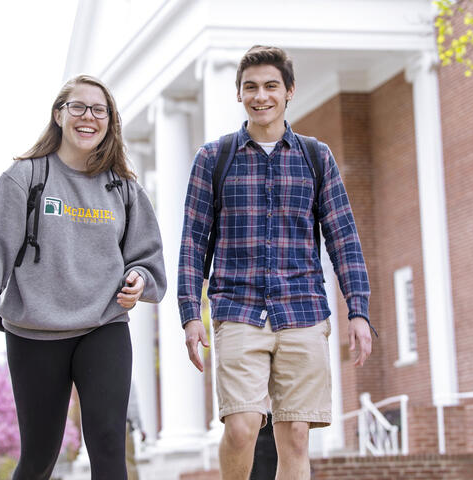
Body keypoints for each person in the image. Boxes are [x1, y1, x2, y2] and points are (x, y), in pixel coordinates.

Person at [178, 45, 373, 480]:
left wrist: (358, 310)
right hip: (238, 308)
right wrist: (191, 314)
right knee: (242, 426)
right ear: (239, 94)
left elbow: (343, 237)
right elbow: (193, 243)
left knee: (296, 435)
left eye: (270, 86)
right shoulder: (214, 158)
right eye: (250, 87)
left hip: (302, 308)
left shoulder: (315, 157)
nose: (260, 95)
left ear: (289, 92)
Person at [0, 74, 166, 480]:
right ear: (59, 115)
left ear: (110, 121)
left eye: (99, 110)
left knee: (109, 446)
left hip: (103, 326)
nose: (88, 117)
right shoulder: (25, 179)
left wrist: (139, 278)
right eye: (78, 107)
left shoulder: (122, 186)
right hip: (35, 331)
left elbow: (146, 255)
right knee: (39, 457)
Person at [125, 383, 145, 480]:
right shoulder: (127, 382)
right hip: (124, 425)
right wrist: (140, 428)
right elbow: (132, 406)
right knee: (129, 461)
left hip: (117, 424)